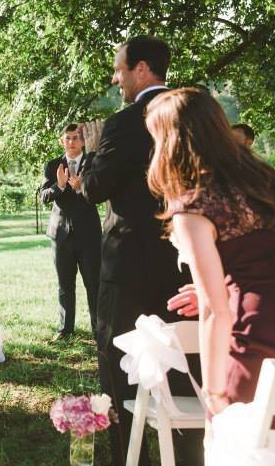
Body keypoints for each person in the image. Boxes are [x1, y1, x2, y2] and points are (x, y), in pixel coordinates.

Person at [78, 37, 197, 466]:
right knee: (185, 365)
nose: (116, 78)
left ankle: (131, 458)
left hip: (127, 265)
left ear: (141, 70)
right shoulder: (196, 118)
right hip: (186, 266)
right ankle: (189, 456)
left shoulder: (124, 123)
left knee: (116, 363)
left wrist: (90, 156)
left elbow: (94, 190)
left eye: (119, 70)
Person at [147, 88, 275, 433]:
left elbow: (214, 310)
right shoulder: (270, 184)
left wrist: (213, 391)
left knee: (237, 441)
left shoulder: (193, 204)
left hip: (259, 337)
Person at [39, 124, 101, 342]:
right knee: (65, 284)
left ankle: (98, 329)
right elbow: (43, 196)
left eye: (76, 138)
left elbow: (101, 193)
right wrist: (61, 186)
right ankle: (65, 329)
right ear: (61, 141)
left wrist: (81, 188)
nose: (72, 142)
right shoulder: (53, 165)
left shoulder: (93, 161)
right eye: (68, 138)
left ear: (83, 141)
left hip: (89, 235)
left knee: (93, 283)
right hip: (60, 234)